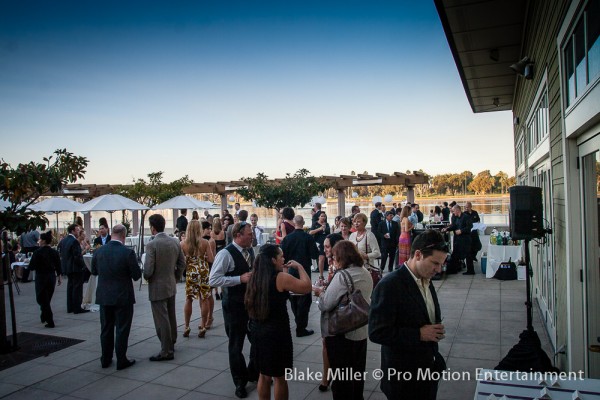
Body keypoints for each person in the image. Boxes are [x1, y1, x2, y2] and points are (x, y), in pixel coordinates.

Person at [369, 230, 448, 400]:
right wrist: (419, 334)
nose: (439, 269)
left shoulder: (425, 277)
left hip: (427, 371)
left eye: (441, 264)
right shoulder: (390, 285)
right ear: (418, 255)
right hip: (403, 378)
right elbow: (377, 332)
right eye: (435, 263)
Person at [245, 244, 311, 400]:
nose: (284, 258)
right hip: (276, 333)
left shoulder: (254, 276)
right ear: (273, 260)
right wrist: (300, 266)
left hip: (257, 330)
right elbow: (306, 287)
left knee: (263, 374)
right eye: (281, 256)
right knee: (279, 376)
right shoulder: (280, 278)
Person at [314, 240, 373, 400]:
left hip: (342, 333)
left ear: (341, 257)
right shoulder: (365, 272)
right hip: (361, 331)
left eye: (334, 256)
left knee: (342, 380)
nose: (332, 260)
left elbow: (326, 304)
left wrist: (320, 294)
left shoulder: (343, 276)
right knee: (357, 374)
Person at [209, 222, 258, 399]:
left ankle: (253, 372)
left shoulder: (250, 250)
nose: (252, 236)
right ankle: (240, 381)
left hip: (250, 304)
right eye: (249, 233)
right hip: (234, 306)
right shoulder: (225, 254)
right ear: (238, 235)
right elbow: (213, 280)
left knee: (257, 340)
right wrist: (239, 278)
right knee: (236, 345)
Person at [92, 224, 141, 370]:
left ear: (111, 233)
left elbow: (94, 271)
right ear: (124, 236)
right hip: (122, 296)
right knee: (122, 328)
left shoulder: (99, 252)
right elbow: (137, 276)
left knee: (106, 328)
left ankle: (105, 359)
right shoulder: (127, 253)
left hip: (104, 296)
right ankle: (121, 359)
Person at [144, 214, 186, 361]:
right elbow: (182, 263)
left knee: (161, 318)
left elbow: (148, 269)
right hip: (170, 283)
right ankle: (171, 341)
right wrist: (175, 277)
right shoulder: (174, 242)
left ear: (153, 228)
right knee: (171, 315)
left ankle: (166, 350)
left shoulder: (152, 245)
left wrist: (146, 276)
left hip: (157, 285)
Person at [281, 215, 319, 337]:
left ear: (294, 224)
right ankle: (301, 326)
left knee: (293, 297)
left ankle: (298, 319)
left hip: (291, 270)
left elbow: (283, 257)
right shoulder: (308, 237)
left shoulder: (287, 239)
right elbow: (314, 255)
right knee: (305, 297)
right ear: (303, 223)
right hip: (304, 270)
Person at [318, 232, 344, 392]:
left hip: (339, 311)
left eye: (327, 246)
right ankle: (326, 376)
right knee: (326, 344)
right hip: (331, 307)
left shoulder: (342, 265)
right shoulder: (332, 262)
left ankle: (330, 377)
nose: (324, 249)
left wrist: (320, 292)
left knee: (332, 345)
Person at [181, 220, 215, 338]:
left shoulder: (183, 244)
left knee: (188, 299)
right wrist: (204, 257)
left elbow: (182, 263)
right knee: (204, 298)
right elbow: (211, 260)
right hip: (203, 271)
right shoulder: (205, 242)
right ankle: (203, 325)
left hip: (191, 272)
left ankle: (186, 326)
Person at [28, 231, 62, 328]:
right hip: (51, 277)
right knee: (47, 298)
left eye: (40, 240)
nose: (39, 241)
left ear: (43, 241)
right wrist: (59, 276)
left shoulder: (37, 252)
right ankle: (44, 315)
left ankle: (49, 320)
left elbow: (31, 266)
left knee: (42, 298)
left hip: (41, 277)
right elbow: (58, 265)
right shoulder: (54, 252)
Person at [60, 223, 89, 314]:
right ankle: (77, 307)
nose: (78, 232)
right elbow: (77, 256)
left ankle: (70, 307)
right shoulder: (74, 241)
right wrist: (83, 266)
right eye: (77, 230)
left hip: (68, 267)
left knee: (70, 287)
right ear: (72, 231)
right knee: (77, 288)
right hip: (75, 268)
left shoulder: (64, 240)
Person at [442, 205, 473, 275]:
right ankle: (453, 270)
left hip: (465, 239)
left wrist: (461, 231)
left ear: (457, 210)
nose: (452, 212)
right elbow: (454, 226)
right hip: (458, 239)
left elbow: (470, 227)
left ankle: (471, 270)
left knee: (468, 254)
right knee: (455, 254)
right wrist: (447, 229)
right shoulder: (456, 218)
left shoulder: (466, 217)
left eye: (453, 211)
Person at [309, 211, 330, 279]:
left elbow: (329, 233)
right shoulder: (315, 224)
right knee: (321, 258)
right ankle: (321, 275)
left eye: (324, 216)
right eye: (322, 216)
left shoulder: (327, 224)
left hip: (326, 242)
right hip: (319, 243)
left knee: (328, 257)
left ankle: (330, 273)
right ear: (318, 217)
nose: (323, 217)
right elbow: (310, 232)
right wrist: (319, 229)